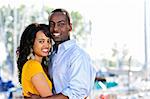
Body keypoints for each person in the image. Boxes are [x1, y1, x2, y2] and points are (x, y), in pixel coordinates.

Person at [30, 8, 96, 99]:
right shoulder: (52, 54)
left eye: (61, 24)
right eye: (52, 25)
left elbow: (78, 93)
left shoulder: (78, 55)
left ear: (70, 27)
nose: (55, 29)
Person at [17, 23, 53, 98]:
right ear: (31, 43)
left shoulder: (39, 65)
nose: (47, 45)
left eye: (48, 41)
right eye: (41, 41)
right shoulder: (33, 66)